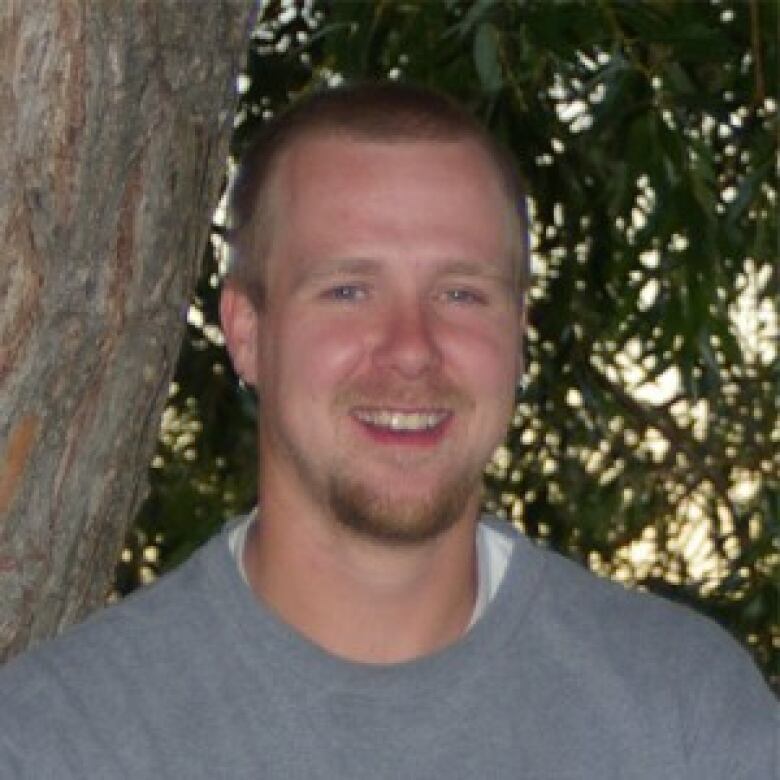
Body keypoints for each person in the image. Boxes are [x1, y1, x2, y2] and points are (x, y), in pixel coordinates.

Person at [0, 81, 775, 779]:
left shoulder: (683, 718)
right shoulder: (62, 740)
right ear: (246, 330)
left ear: (519, 334)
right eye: (348, 289)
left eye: (462, 294)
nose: (411, 348)